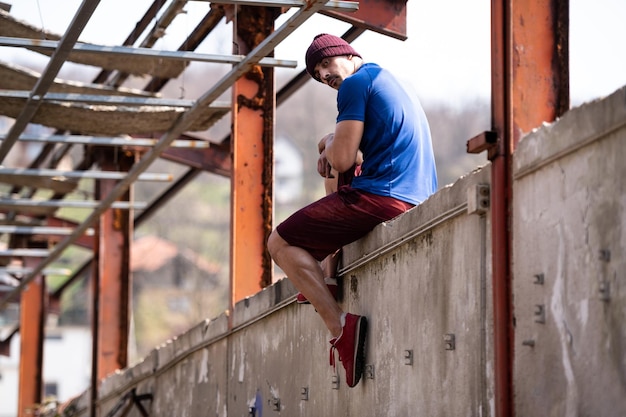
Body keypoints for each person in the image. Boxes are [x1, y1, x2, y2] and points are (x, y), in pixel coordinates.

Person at [267, 33, 438, 388]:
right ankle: (327, 274)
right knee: (331, 155)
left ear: (348, 54)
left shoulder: (356, 84)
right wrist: (330, 145)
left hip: (385, 196)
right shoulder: (385, 78)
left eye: (328, 63)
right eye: (318, 73)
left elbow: (343, 158)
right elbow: (351, 156)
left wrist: (329, 143)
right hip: (414, 193)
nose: (326, 74)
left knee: (278, 244)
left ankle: (340, 328)